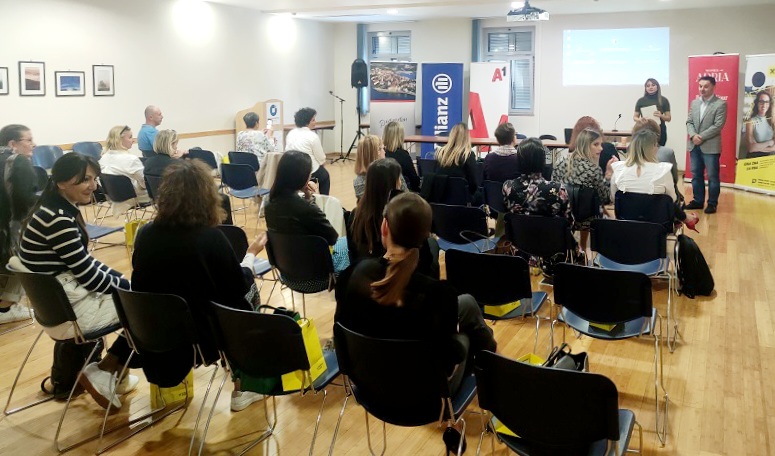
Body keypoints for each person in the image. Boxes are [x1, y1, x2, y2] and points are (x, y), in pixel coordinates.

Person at [131, 159, 268, 412]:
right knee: (245, 298)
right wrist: (250, 257)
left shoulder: (146, 233)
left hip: (151, 330)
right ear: (207, 197)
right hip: (198, 337)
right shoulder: (211, 238)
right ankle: (244, 384)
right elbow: (237, 287)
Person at [11, 153, 139, 408]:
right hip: (70, 312)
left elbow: (84, 263)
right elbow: (89, 278)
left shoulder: (50, 209)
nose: (93, 185)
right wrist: (128, 289)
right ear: (61, 182)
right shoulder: (58, 219)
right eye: (85, 180)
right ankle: (107, 371)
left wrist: (121, 281)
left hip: (55, 307)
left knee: (131, 293)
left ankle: (113, 376)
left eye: (94, 178)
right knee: (145, 310)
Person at [335, 192, 496, 394]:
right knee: (469, 329)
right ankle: (495, 367)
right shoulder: (437, 295)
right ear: (426, 236)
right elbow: (449, 361)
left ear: (384, 227)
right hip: (425, 397)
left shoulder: (352, 276)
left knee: (467, 304)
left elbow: (341, 335)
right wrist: (460, 338)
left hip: (369, 387)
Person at [348, 158, 439, 278]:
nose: (401, 183)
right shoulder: (401, 216)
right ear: (393, 184)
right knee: (433, 243)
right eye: (399, 179)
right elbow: (424, 260)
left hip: (366, 274)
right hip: (402, 275)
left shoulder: (355, 215)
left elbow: (353, 251)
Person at [611, 128, 699, 231]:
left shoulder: (618, 169)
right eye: (656, 146)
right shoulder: (662, 170)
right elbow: (672, 199)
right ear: (652, 148)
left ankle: (686, 218)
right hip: (657, 227)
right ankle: (686, 218)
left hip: (626, 226)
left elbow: (613, 198)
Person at [553, 128, 616, 251]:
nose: (601, 148)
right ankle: (583, 246)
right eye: (596, 144)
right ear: (586, 145)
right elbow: (605, 198)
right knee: (592, 207)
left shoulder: (560, 162)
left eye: (601, 144)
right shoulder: (593, 169)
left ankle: (571, 246)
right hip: (585, 219)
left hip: (563, 216)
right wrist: (608, 175)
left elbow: (554, 189)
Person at [0, 124, 37, 322]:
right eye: (29, 140)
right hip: (10, 230)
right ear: (12, 144)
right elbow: (25, 200)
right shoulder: (18, 162)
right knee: (26, 258)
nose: (33, 144)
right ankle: (5, 308)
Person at [264, 150, 338, 245]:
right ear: (302, 176)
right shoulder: (306, 208)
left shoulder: (268, 203)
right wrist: (311, 201)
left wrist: (308, 197)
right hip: (311, 254)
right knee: (344, 243)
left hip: (282, 254)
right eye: (309, 173)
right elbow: (333, 238)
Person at [686, 76, 728, 214]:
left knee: (712, 176)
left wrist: (701, 137)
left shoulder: (720, 104)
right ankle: (698, 201)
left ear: (713, 87)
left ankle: (712, 203)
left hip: (710, 146)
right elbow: (689, 122)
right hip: (694, 144)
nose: (702, 89)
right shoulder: (694, 103)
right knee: (696, 174)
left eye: (706, 86)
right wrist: (693, 135)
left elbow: (718, 125)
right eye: (700, 86)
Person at [503, 138, 572, 222]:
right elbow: (568, 222)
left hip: (518, 230)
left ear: (519, 160)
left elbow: (506, 216)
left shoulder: (508, 187)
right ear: (543, 160)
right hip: (549, 230)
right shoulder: (558, 190)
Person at [99, 125, 151, 214]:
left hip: (113, 197)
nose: (133, 140)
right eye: (130, 137)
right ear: (119, 140)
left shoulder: (103, 158)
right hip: (136, 198)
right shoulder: (131, 159)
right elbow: (145, 183)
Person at [632, 119, 682, 199]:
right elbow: (674, 180)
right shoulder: (667, 153)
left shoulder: (626, 161)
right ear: (657, 135)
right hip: (660, 201)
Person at [285, 107, 330, 195]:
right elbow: (321, 158)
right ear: (307, 121)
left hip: (292, 169)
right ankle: (323, 199)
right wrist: (323, 165)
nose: (315, 122)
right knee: (325, 176)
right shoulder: (312, 136)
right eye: (313, 120)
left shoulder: (291, 133)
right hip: (309, 170)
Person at [434, 123, 480, 201]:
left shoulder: (440, 153)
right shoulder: (468, 155)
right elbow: (473, 184)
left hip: (441, 197)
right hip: (461, 198)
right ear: (467, 137)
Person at [353, 135, 406, 200]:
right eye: (383, 148)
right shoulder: (393, 172)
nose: (385, 152)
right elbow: (406, 197)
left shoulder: (358, 182)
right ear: (377, 152)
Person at [382, 121, 420, 192]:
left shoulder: (381, 154)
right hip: (403, 194)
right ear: (400, 136)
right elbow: (414, 181)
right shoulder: (403, 156)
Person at [634, 78, 672, 146]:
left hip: (660, 130)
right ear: (645, 88)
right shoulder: (641, 101)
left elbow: (668, 118)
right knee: (645, 149)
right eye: (648, 86)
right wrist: (640, 119)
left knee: (659, 150)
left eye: (653, 85)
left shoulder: (663, 100)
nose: (650, 87)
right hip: (645, 129)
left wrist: (661, 115)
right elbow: (635, 117)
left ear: (657, 86)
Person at [744, 91, 775, 157]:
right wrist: (769, 142)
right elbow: (751, 148)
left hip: (770, 158)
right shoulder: (751, 122)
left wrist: (757, 147)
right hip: (755, 158)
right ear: (757, 103)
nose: (764, 105)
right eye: (761, 102)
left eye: (767, 102)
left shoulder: (773, 120)